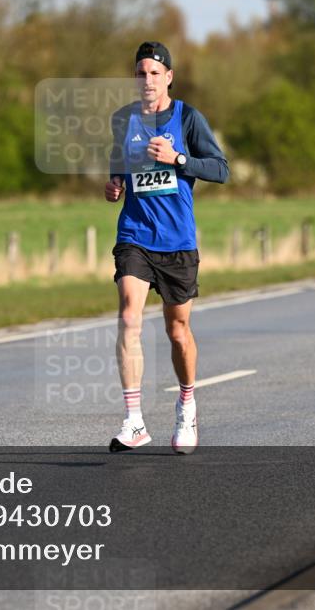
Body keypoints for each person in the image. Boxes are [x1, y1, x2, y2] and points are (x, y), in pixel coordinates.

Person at [103, 41, 228, 454]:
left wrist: (178, 159)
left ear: (169, 77)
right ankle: (134, 421)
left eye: (155, 72)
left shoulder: (188, 118)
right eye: (141, 73)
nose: (147, 80)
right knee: (128, 316)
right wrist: (115, 183)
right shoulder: (124, 120)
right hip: (135, 234)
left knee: (177, 332)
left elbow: (221, 169)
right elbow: (118, 164)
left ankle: (187, 403)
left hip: (177, 241)